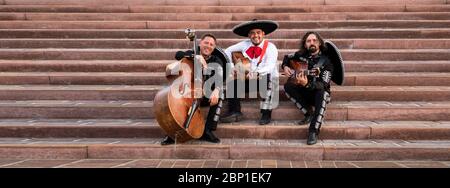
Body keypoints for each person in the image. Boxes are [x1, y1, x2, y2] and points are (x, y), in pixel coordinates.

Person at [161, 33, 228, 145]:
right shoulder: (193, 53)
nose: (208, 46)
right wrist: (194, 56)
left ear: (214, 47)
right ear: (200, 43)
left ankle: (208, 130)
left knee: (220, 95)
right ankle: (172, 132)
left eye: (211, 44)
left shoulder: (216, 60)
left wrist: (216, 90)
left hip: (205, 94)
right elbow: (178, 54)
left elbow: (219, 77)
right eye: (206, 43)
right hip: (189, 92)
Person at [221, 19, 279, 125]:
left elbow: (270, 67)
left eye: (258, 32)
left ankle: (266, 114)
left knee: (269, 78)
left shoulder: (271, 47)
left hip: (265, 79)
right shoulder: (245, 44)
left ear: (263, 34)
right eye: (252, 33)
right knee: (232, 82)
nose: (255, 35)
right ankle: (235, 111)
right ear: (249, 35)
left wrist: (257, 73)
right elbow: (227, 51)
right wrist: (232, 67)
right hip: (250, 79)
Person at [281, 31, 335, 145]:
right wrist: (285, 66)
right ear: (305, 44)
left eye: (314, 40)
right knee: (288, 85)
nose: (312, 43)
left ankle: (313, 131)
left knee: (323, 93)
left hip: (318, 94)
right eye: (309, 41)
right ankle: (308, 113)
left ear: (319, 43)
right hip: (304, 92)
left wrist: (307, 84)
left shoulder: (327, 62)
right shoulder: (300, 55)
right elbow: (287, 57)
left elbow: (323, 84)